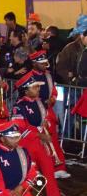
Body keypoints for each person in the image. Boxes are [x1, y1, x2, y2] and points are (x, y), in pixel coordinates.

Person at [11, 73, 66, 196]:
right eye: (35, 87)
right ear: (26, 89)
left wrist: (45, 127)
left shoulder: (39, 102)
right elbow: (18, 128)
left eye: (37, 87)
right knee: (28, 174)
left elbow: (43, 119)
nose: (38, 89)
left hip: (40, 143)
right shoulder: (19, 106)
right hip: (27, 144)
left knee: (49, 170)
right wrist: (38, 134)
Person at [29, 50, 71, 179]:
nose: (44, 65)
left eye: (44, 62)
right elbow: (25, 96)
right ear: (34, 63)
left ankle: (58, 167)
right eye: (41, 63)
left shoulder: (48, 75)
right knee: (35, 141)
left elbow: (53, 90)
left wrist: (53, 97)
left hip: (48, 111)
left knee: (53, 138)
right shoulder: (28, 78)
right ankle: (33, 170)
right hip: (34, 112)